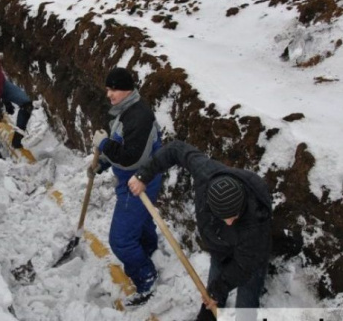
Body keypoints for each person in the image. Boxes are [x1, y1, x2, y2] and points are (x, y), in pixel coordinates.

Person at [127, 140, 272, 320]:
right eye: (223, 217)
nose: (228, 222)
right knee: (212, 297)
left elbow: (244, 266)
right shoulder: (205, 173)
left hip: (251, 256)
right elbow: (175, 149)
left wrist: (218, 290)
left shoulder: (256, 219)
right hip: (221, 248)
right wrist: (143, 175)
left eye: (234, 216)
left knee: (246, 300)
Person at [89, 67, 163, 307]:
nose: (109, 94)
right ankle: (148, 250)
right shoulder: (123, 111)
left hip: (140, 182)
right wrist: (102, 161)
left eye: (115, 89)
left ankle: (146, 277)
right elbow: (120, 145)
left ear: (128, 89)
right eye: (108, 88)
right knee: (140, 223)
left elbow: (132, 158)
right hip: (129, 178)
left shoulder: (139, 117)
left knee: (120, 240)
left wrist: (104, 145)